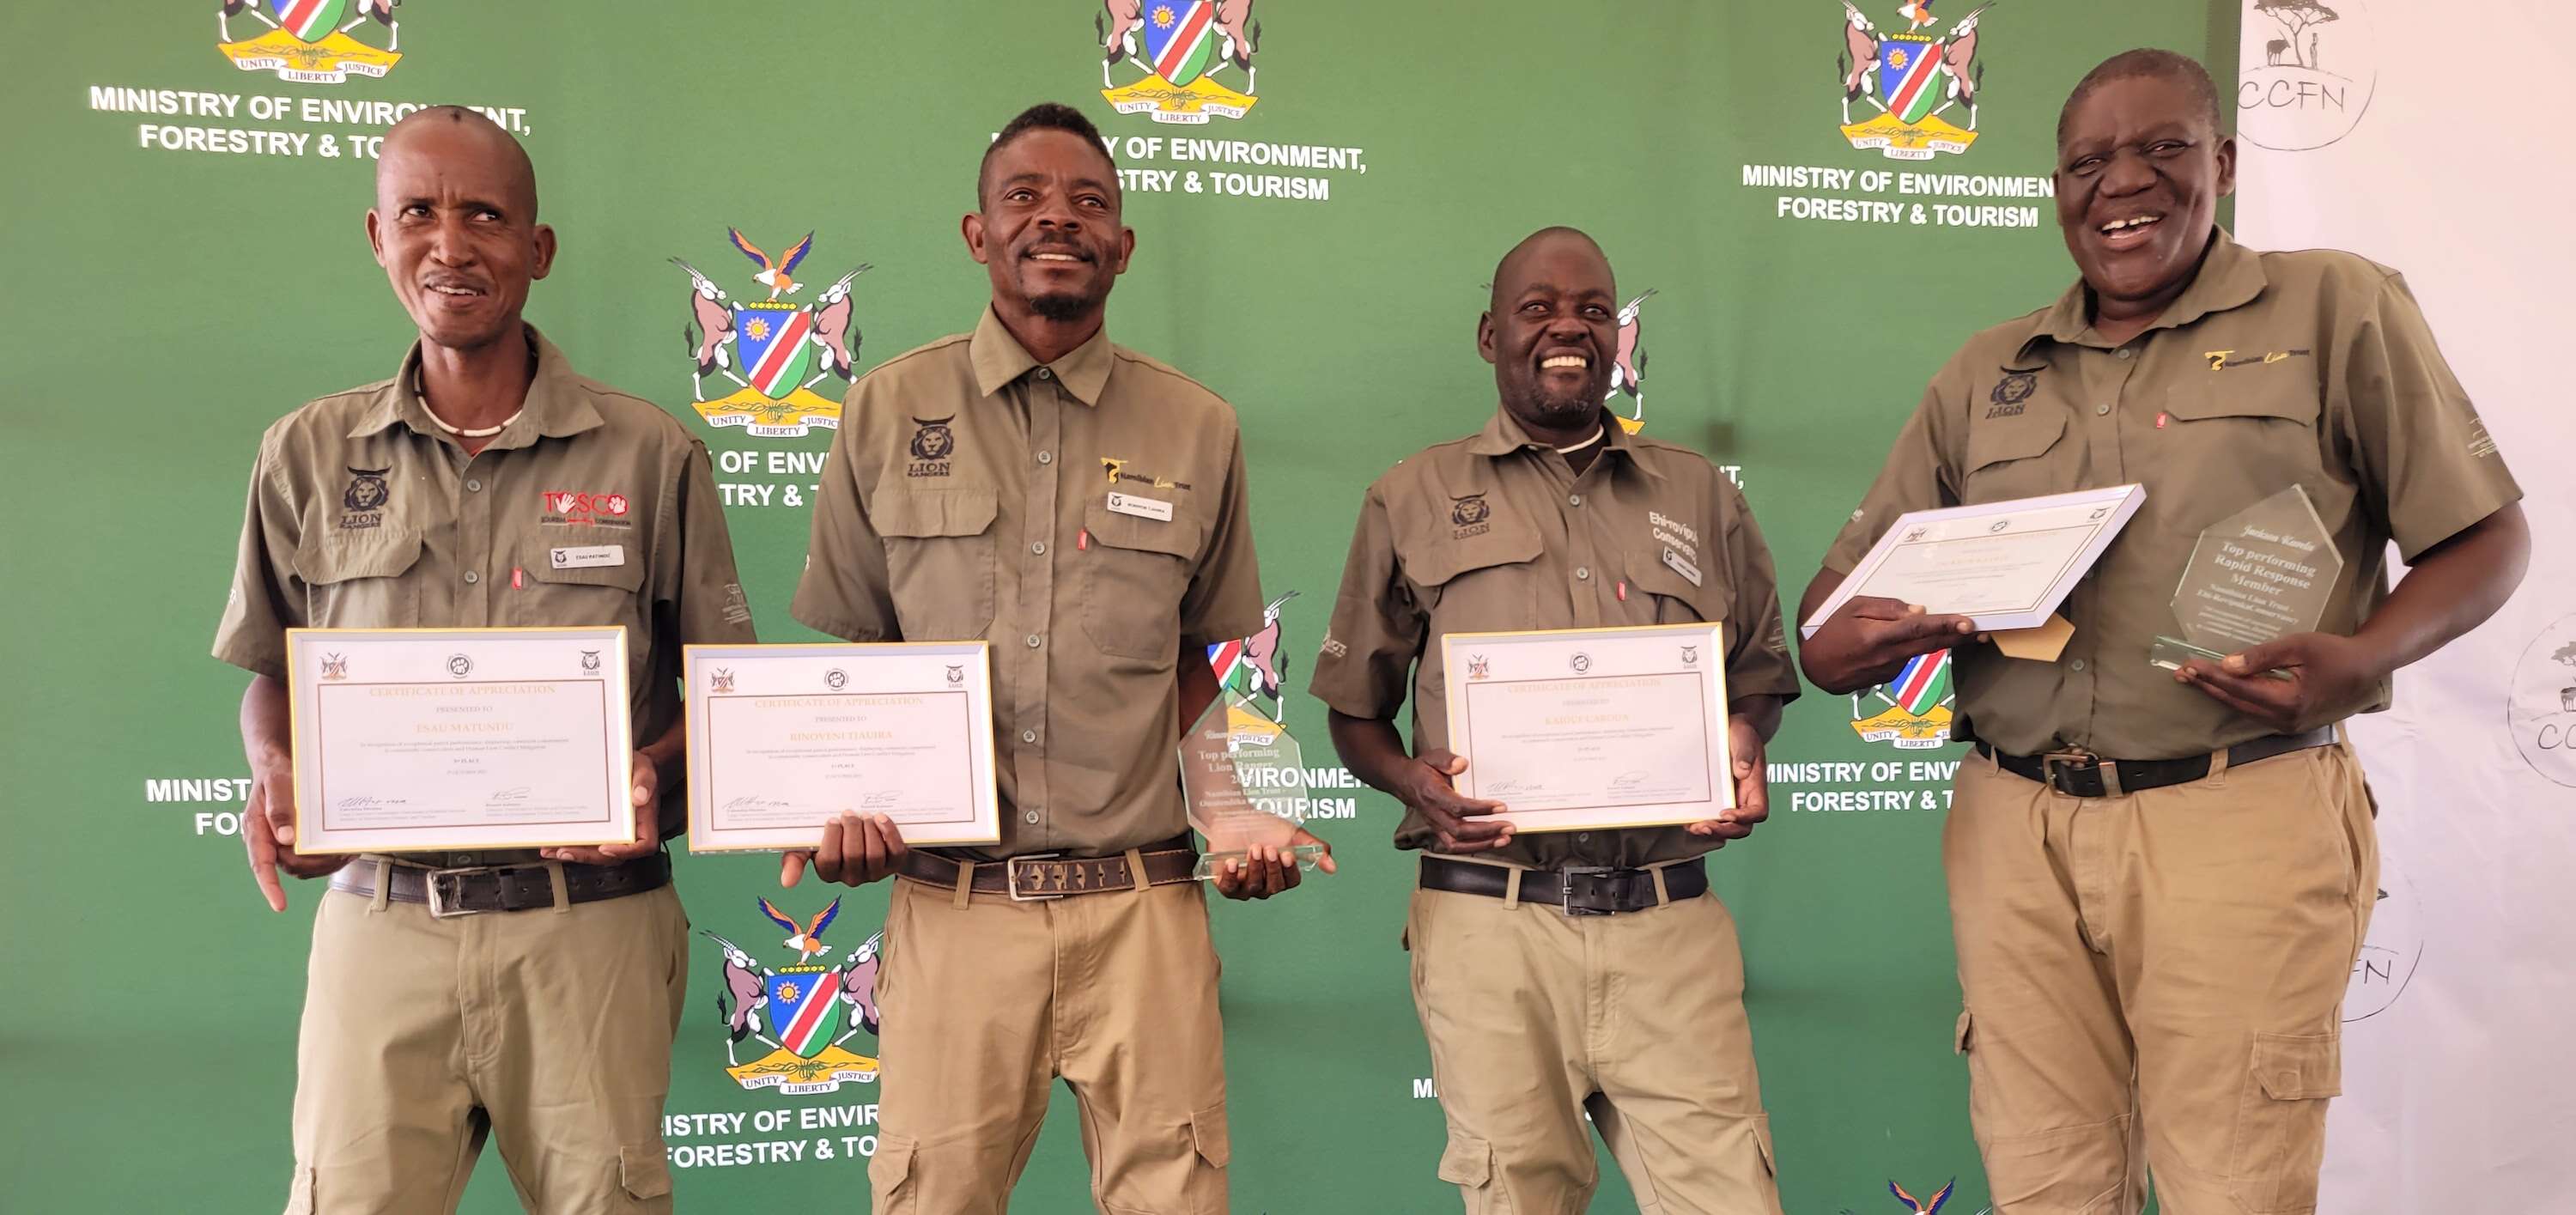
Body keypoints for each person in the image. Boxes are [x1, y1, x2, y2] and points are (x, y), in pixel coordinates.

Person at [1795, 50, 2529, 1215]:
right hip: (2015, 826)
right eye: (2089, 162)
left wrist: (2358, 658)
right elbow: (1830, 624)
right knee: (2045, 1179)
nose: (2123, 182)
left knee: (2232, 1183)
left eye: (2162, 149)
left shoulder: (2333, 305)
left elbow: (2487, 539)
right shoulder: (1988, 372)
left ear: (2223, 162)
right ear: (2057, 191)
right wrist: (1859, 639)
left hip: (2237, 807)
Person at [787, 101, 1328, 1215]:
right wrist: (844, 803)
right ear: (977, 234)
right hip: (954, 907)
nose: (1058, 219)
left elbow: (1194, 660)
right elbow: (861, 662)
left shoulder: (1198, 426)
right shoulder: (886, 409)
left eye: (1089, 202)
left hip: (1143, 911)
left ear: (1123, 245)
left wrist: (1229, 810)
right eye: (1024, 197)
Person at [212, 106, 756, 1213]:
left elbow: (724, 695)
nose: (450, 245)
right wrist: (276, 767)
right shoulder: (306, 453)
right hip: (383, 921)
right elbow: (272, 669)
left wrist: (650, 769)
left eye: (486, 217)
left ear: (538, 248)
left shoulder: (648, 452)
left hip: (589, 927)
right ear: (378, 236)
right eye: (419, 213)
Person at [1310, 226, 1800, 1214]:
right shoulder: (1410, 496)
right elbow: (1356, 715)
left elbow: (1756, 675)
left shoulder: (1700, 492)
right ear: (1490, 335)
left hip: (1669, 922)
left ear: (1618, 338)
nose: (1568, 327)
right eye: (1538, 309)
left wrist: (1744, 740)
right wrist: (1412, 783)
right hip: (1491, 928)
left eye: (1592, 311)